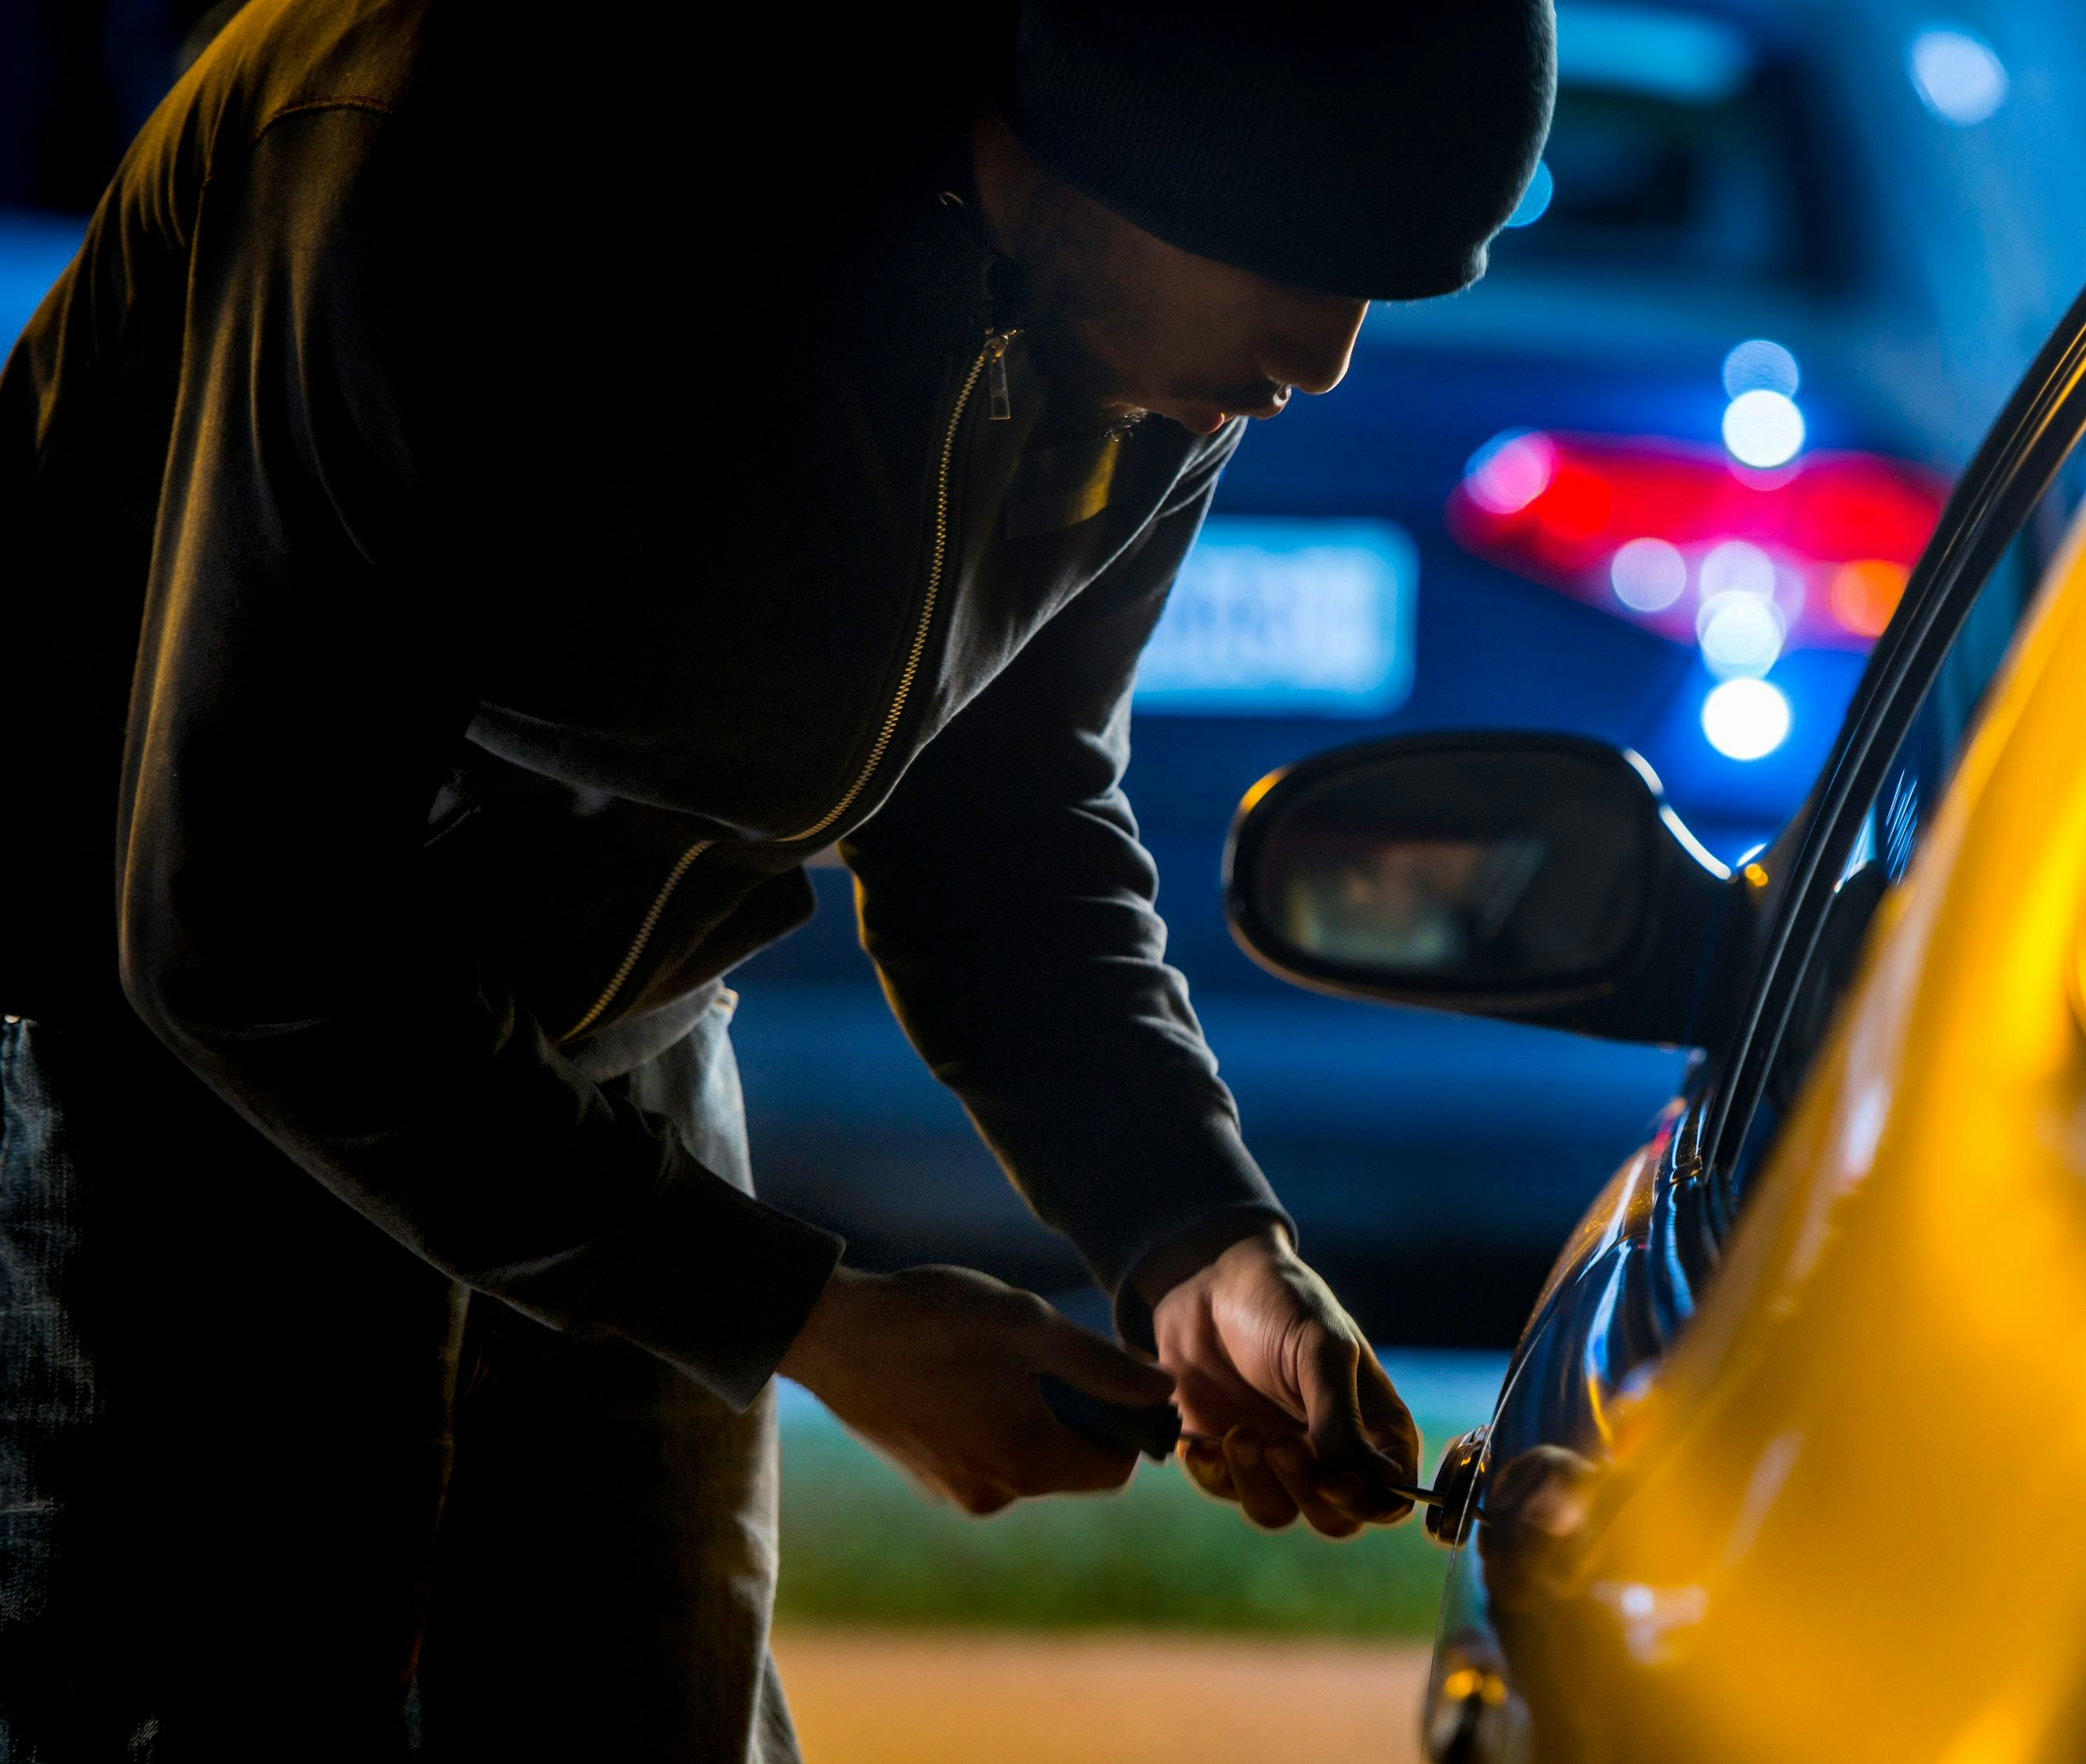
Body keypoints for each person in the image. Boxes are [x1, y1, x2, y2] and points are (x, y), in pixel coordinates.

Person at [0, 0, 1556, 1755]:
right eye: (1302, 260)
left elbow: (1001, 803)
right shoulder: (453, 141)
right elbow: (244, 919)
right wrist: (813, 1320)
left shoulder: (1141, 327)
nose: (1327, 358)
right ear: (1113, 125)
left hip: (614, 1051)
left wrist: (1194, 1236)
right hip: (146, 1078)